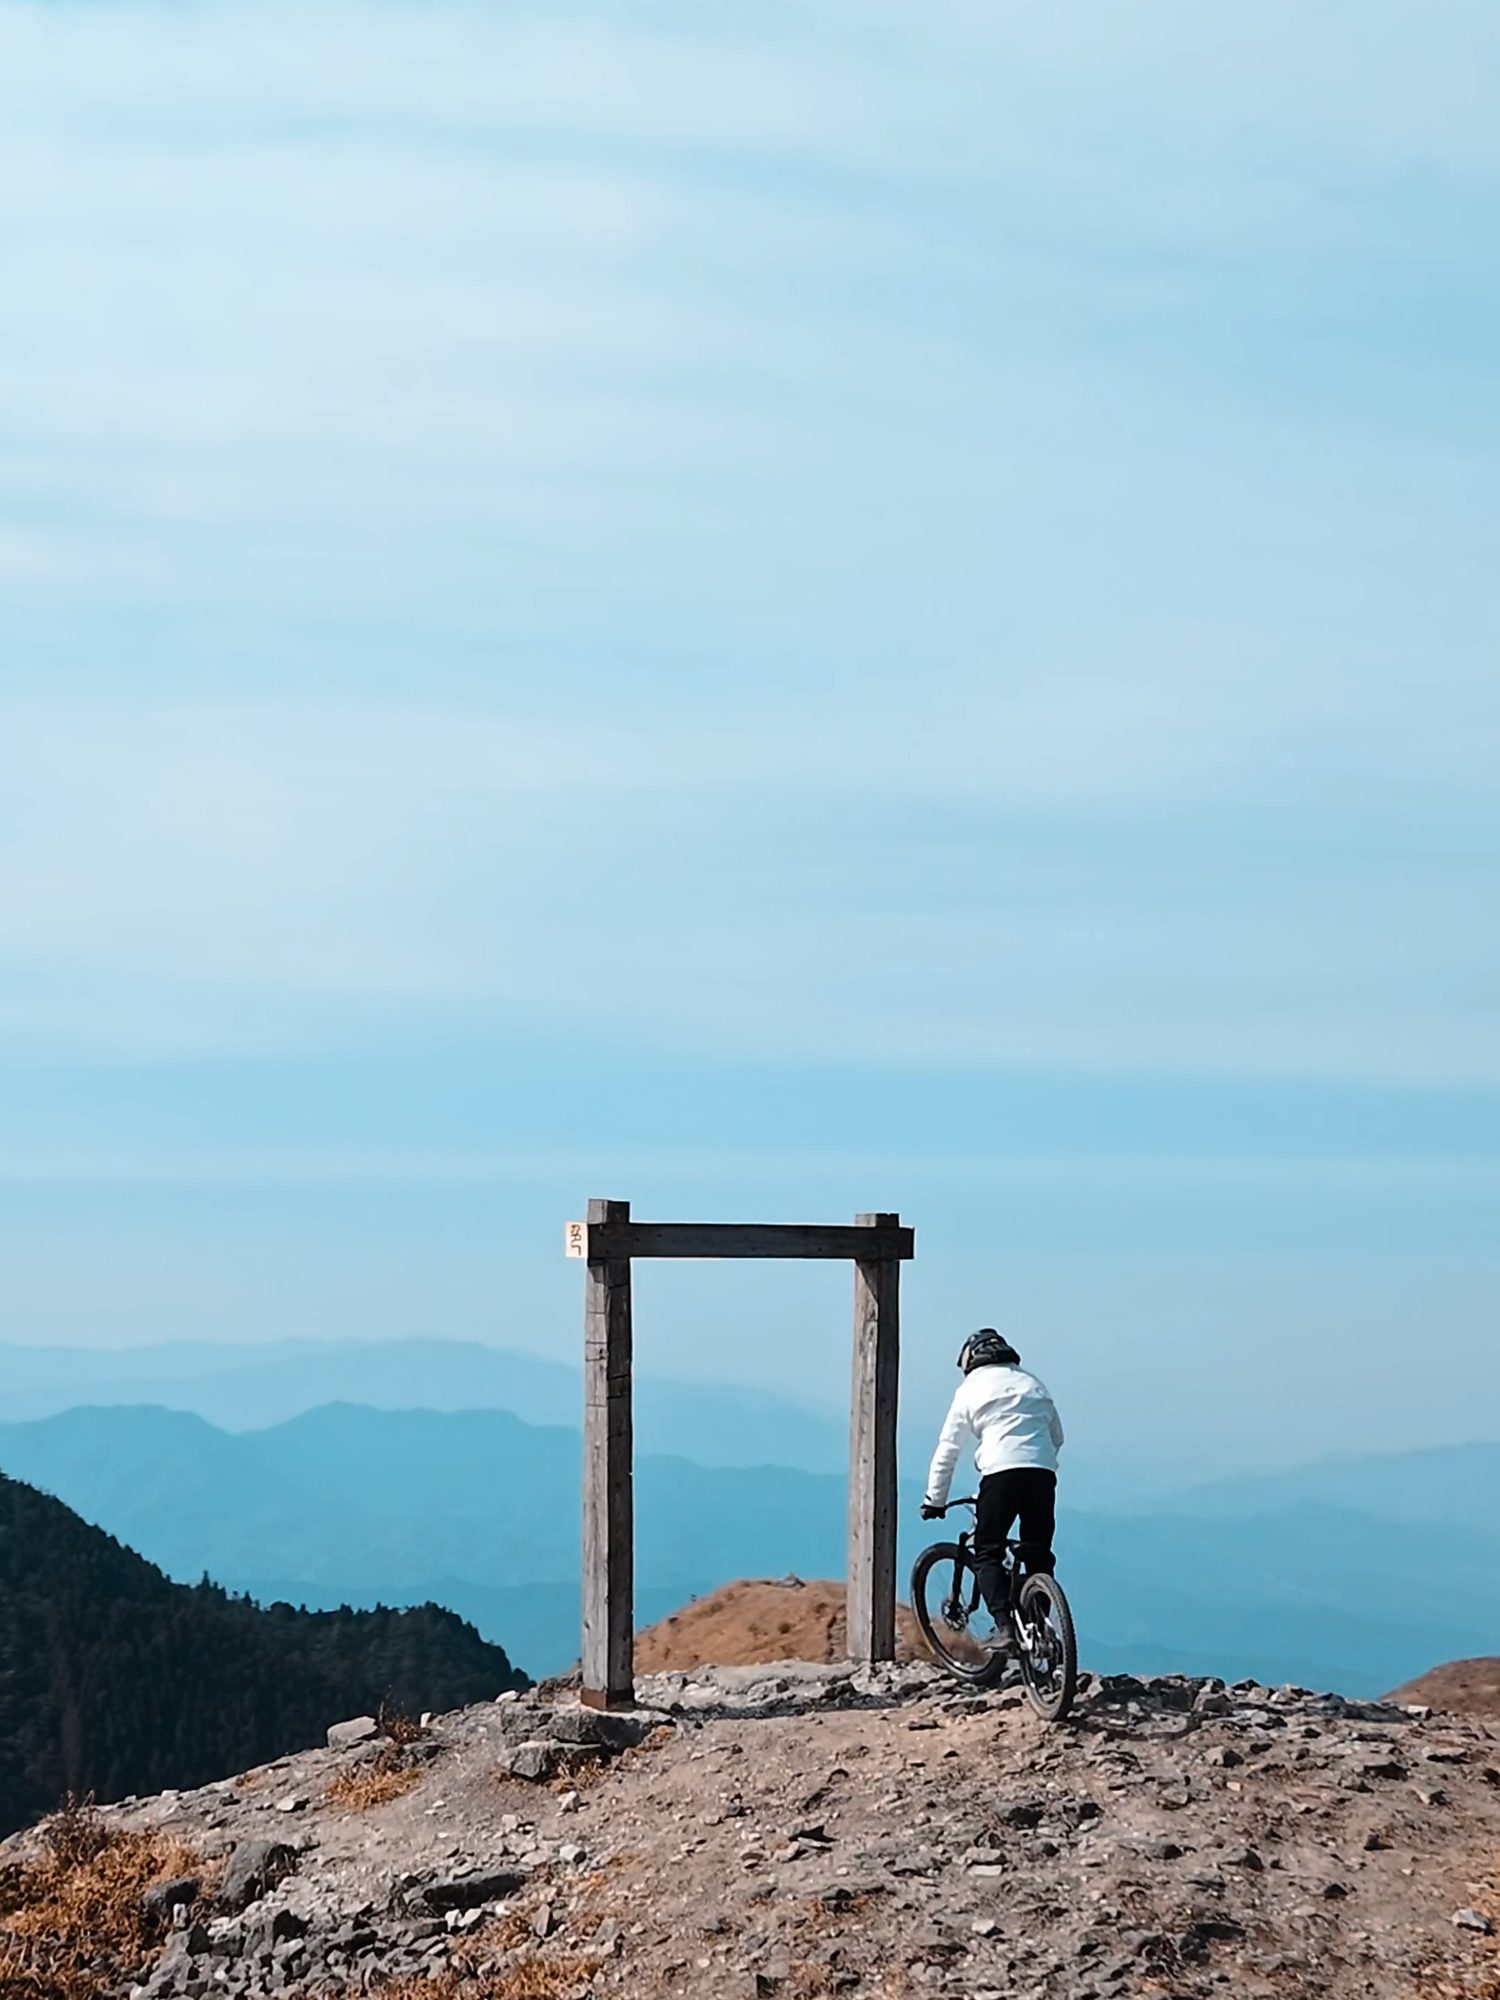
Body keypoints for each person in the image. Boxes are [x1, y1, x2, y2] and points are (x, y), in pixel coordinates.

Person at [921, 1329, 1064, 1624]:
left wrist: (935, 1499)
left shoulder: (970, 1388)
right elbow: (1056, 1438)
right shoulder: (1032, 1383)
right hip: (1042, 1474)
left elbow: (948, 1449)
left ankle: (1004, 1628)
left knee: (987, 1552)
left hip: (1000, 1475)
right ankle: (1041, 1629)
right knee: (1038, 1554)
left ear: (970, 1360)